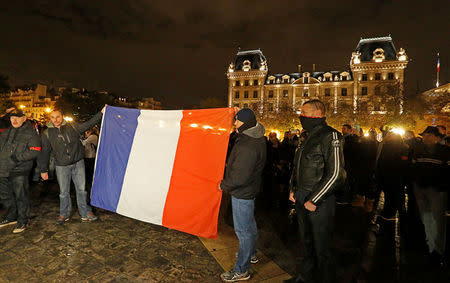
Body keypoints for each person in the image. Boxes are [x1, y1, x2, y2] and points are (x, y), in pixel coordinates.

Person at [285, 99, 345, 283]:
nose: (301, 117)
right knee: (306, 242)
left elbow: (336, 173)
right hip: (302, 195)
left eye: (304, 113)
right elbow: (297, 166)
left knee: (322, 247)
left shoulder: (331, 136)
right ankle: (305, 277)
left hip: (320, 200)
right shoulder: (306, 137)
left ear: (318, 114)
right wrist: (293, 189)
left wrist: (315, 199)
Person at [219, 108, 267, 282]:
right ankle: (251, 254)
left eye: (237, 121)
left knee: (243, 231)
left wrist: (223, 184)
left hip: (242, 192)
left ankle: (241, 270)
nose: (235, 123)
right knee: (250, 226)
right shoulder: (256, 136)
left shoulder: (248, 145)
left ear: (244, 123)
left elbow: (240, 176)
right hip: (250, 189)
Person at [38, 107, 104, 225]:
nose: (56, 120)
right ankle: (64, 214)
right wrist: (43, 170)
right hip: (61, 166)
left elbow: (89, 124)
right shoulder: (47, 133)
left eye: (58, 116)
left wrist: (101, 113)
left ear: (62, 116)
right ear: (50, 118)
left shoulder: (72, 127)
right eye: (53, 117)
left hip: (78, 163)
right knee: (63, 192)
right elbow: (44, 153)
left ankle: (85, 212)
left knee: (81, 190)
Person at [409, 126, 450, 267]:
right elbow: (413, 167)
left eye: (428, 135)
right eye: (424, 135)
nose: (425, 137)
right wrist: (414, 184)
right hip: (420, 189)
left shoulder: (445, 152)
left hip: (436, 191)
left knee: (438, 221)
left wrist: (442, 187)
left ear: (437, 137)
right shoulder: (419, 149)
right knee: (426, 217)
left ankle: (438, 251)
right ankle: (429, 244)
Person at [0, 108, 41, 233]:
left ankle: (23, 220)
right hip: (3, 169)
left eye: (18, 117)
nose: (15, 120)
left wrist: (17, 158)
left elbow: (35, 150)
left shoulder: (31, 132)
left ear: (24, 118)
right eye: (12, 118)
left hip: (20, 170)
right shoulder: (5, 133)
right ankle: (11, 216)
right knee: (6, 196)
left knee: (20, 196)